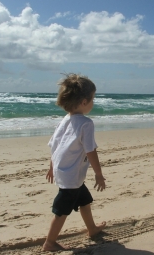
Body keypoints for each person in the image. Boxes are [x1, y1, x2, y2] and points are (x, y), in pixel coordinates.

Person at [42, 74, 106, 252]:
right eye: (92, 98)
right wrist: (99, 174)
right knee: (61, 210)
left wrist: (51, 167)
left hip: (67, 172)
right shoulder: (86, 123)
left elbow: (55, 146)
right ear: (84, 102)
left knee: (84, 200)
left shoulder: (64, 121)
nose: (93, 102)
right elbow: (90, 150)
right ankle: (50, 242)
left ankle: (92, 229)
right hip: (71, 177)